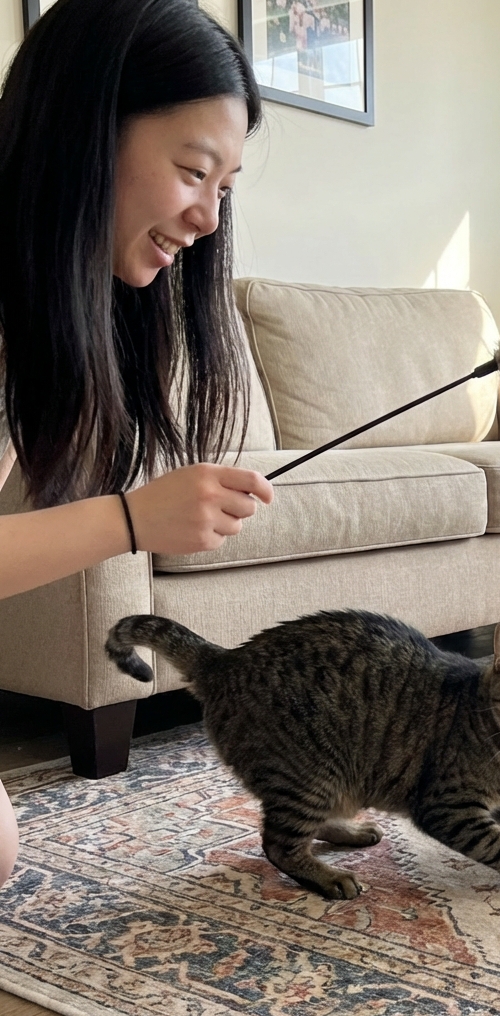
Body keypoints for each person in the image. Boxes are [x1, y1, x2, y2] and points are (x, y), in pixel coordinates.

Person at [0, 0, 276, 888]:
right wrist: (130, 518)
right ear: (88, 129)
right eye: (195, 171)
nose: (206, 219)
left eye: (225, 189)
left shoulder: (50, 319)